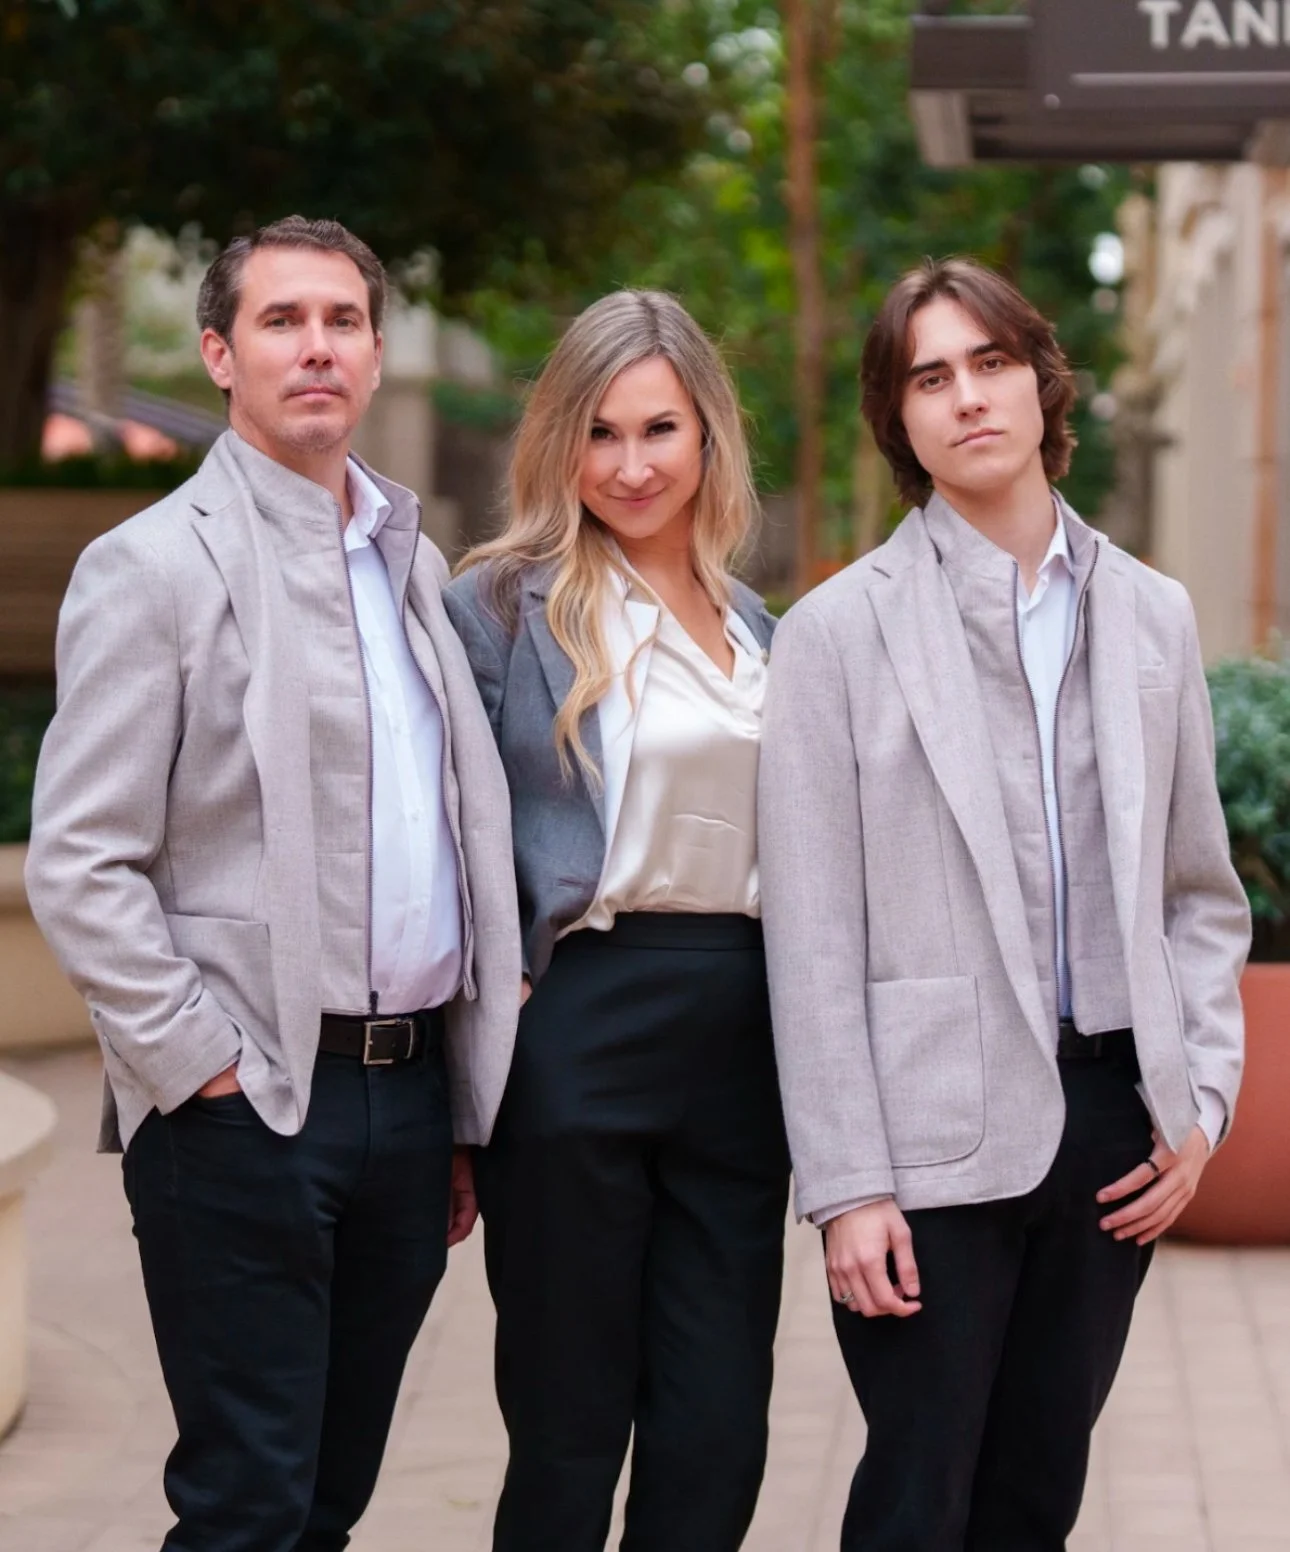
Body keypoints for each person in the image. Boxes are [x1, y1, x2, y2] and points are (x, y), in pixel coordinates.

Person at [25, 215, 521, 1552]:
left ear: (370, 353)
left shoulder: (411, 569)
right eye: (282, 321)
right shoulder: (151, 569)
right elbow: (81, 857)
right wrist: (198, 1063)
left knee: (328, 1500)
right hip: (246, 1106)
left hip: (408, 1106)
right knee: (246, 1501)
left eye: (343, 321)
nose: (317, 347)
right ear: (218, 355)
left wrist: (458, 1102)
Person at [758, 257, 1250, 1551]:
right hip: (925, 1147)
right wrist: (845, 1186)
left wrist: (1195, 1099)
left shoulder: (1151, 616)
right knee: (916, 1500)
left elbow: (1198, 893)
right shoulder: (833, 636)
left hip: (1109, 1136)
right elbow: (808, 940)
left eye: (988, 362)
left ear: (1040, 381)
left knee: (1035, 1500)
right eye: (929, 376)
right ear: (898, 420)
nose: (966, 397)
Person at [443, 289, 790, 1552]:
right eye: (601, 434)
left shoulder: (760, 629)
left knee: (719, 1425)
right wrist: (481, 1026)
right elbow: (451, 840)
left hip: (743, 1039)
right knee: (570, 1422)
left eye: (660, 429)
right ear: (559, 444)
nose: (632, 466)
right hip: (579, 1025)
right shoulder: (500, 607)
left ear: (709, 434)